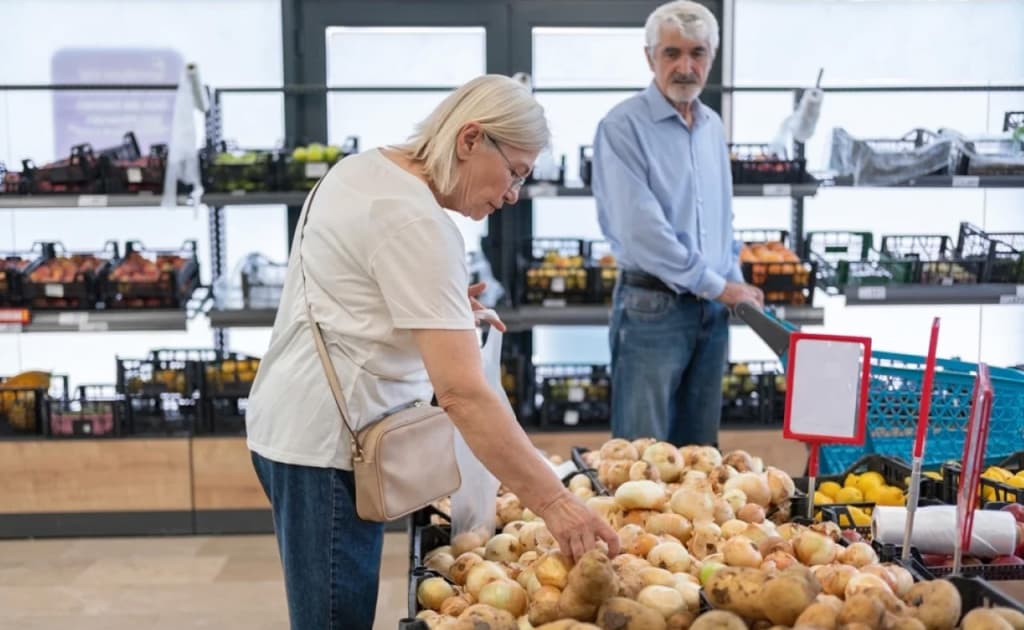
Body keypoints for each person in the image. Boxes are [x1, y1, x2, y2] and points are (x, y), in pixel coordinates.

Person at [245, 74, 619, 630]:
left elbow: (343, 292)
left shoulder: (364, 170)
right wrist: (555, 503)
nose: (514, 194)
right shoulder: (417, 219)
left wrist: (439, 309)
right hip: (326, 450)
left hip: (294, 424)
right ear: (470, 140)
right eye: (515, 172)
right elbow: (464, 395)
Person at [593, 0, 764, 447]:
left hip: (711, 310)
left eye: (697, 53)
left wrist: (735, 281)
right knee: (641, 455)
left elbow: (720, 218)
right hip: (652, 308)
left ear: (711, 57)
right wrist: (719, 286)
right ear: (650, 56)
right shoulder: (622, 127)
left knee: (698, 454)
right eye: (672, 53)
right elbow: (641, 231)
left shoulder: (711, 125)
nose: (685, 66)